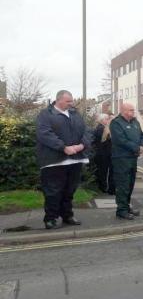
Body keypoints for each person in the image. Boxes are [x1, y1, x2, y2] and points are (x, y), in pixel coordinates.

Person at [36, 90, 91, 230]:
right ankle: (51, 218)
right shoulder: (46, 114)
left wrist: (82, 145)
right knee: (53, 191)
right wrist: (63, 147)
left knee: (70, 190)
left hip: (75, 159)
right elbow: (44, 134)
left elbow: (86, 131)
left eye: (71, 101)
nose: (71, 103)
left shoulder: (75, 114)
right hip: (54, 160)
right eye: (68, 101)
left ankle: (67, 215)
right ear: (58, 100)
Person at [110, 103, 143, 220]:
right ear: (123, 111)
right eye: (131, 110)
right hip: (121, 159)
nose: (133, 112)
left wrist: (142, 145)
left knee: (130, 183)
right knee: (122, 185)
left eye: (133, 110)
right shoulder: (116, 123)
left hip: (132, 158)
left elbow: (141, 135)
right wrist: (136, 148)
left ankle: (127, 206)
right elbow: (121, 140)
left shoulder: (135, 122)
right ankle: (121, 210)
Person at [92, 113, 114, 194]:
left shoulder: (103, 128)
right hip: (103, 154)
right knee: (103, 172)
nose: (108, 120)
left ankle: (103, 187)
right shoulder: (100, 128)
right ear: (102, 120)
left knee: (103, 171)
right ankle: (103, 188)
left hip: (104, 153)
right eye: (107, 119)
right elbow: (105, 140)